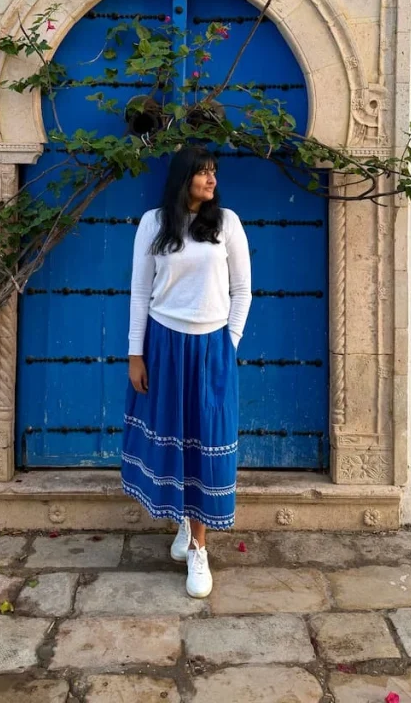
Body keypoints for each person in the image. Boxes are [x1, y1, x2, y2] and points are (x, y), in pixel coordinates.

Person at [121, 146, 252, 598]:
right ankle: (184, 523)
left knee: (206, 441)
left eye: (214, 172)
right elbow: (140, 292)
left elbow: (243, 290)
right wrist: (135, 355)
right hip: (163, 344)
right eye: (202, 173)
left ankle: (199, 547)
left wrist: (228, 343)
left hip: (211, 346)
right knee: (174, 437)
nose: (211, 180)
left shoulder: (227, 223)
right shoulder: (153, 224)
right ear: (184, 178)